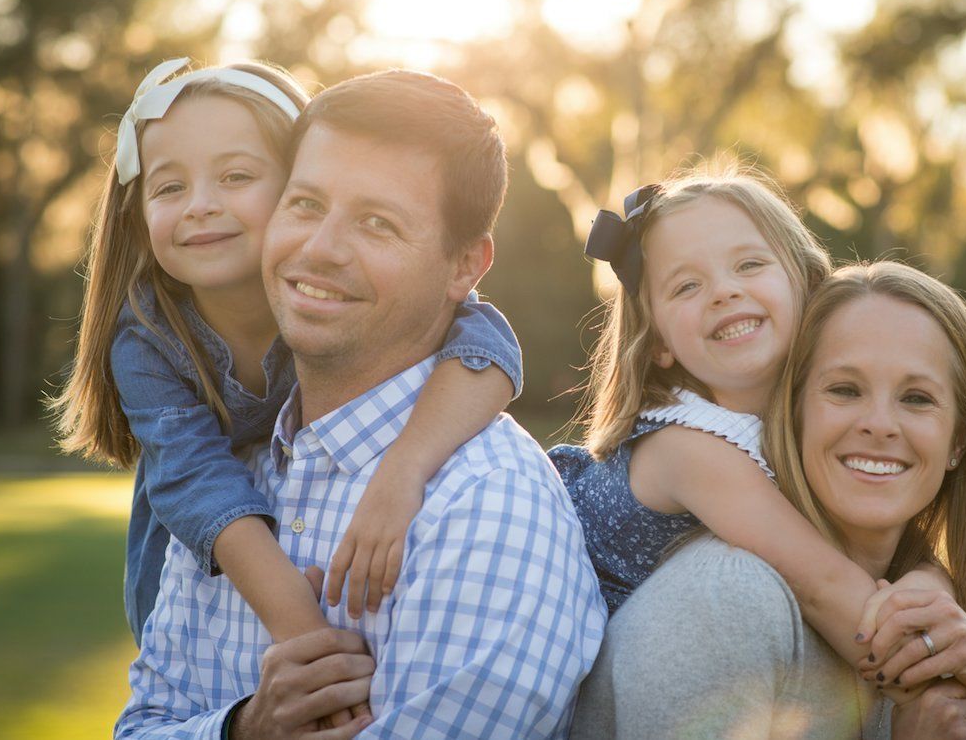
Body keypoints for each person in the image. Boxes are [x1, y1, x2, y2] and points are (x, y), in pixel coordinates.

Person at [112, 68, 606, 738]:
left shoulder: (483, 507)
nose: (319, 250)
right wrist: (245, 729)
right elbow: (141, 726)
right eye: (307, 204)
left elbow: (490, 343)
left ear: (466, 266)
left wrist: (404, 469)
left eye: (376, 223)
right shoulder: (233, 468)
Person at [51, 58, 523, 654]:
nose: (199, 204)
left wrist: (404, 471)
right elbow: (200, 485)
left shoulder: (326, 296)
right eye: (169, 187)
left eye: (237, 176)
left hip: (310, 500)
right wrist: (306, 637)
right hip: (202, 558)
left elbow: (487, 349)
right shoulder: (148, 339)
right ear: (139, 217)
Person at [570, 260, 966, 739]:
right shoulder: (727, 597)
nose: (880, 424)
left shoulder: (930, 621)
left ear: (959, 442)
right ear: (794, 412)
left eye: (916, 399)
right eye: (845, 390)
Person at [549, 170, 955, 677]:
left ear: (805, 283)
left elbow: (872, 555)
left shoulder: (804, 430)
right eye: (687, 285)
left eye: (749, 264)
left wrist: (929, 584)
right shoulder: (689, 448)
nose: (723, 292)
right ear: (659, 343)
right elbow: (824, 587)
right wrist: (937, 679)